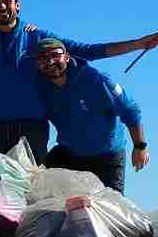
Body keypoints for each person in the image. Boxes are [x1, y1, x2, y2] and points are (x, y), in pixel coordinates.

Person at [0, 0, 158, 163]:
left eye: (7, 2)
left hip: (32, 126)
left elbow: (88, 50)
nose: (1, 6)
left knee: (29, 185)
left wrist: (138, 43)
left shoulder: (38, 37)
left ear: (17, 6)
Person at [34, 38, 148, 194]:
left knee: (110, 209)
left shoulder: (96, 79)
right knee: (38, 184)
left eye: (55, 55)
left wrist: (140, 147)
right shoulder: (40, 87)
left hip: (108, 157)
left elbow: (130, 109)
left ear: (67, 57)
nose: (50, 61)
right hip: (71, 155)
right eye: (43, 58)